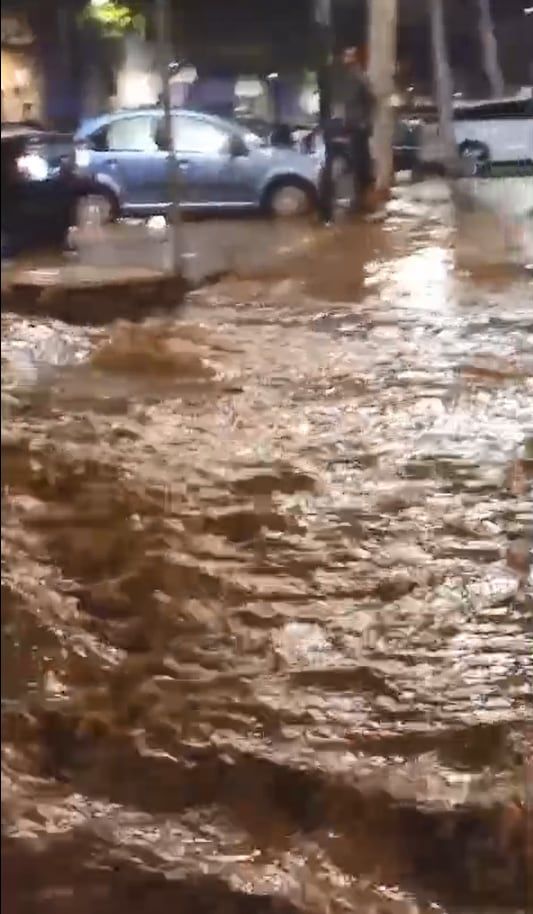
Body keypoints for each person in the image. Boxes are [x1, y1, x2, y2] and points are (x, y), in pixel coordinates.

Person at [334, 47, 376, 209]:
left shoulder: (358, 77)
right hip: (354, 126)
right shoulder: (350, 77)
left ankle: (363, 198)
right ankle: (360, 197)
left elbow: (370, 100)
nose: (345, 60)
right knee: (356, 161)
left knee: (360, 162)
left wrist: (364, 121)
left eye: (348, 57)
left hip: (359, 126)